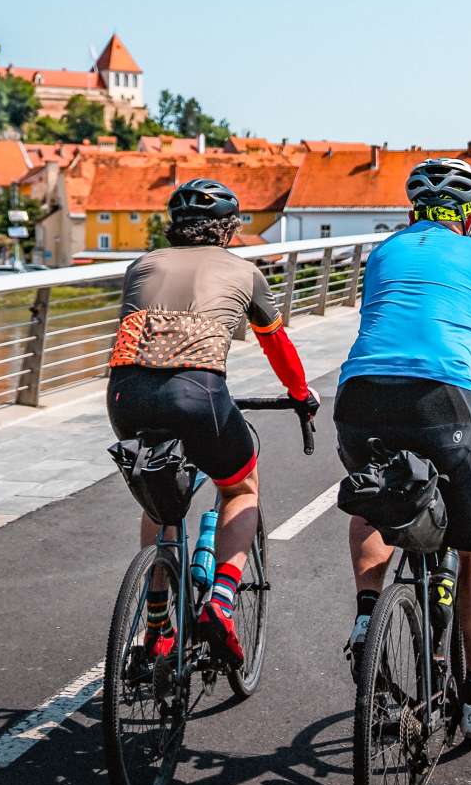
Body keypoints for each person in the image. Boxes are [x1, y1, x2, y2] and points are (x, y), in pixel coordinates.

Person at [334, 158, 471, 740]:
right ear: (470, 217)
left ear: (411, 214)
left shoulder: (382, 254)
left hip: (358, 398)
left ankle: (365, 617)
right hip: (442, 404)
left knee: (372, 504)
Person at [106, 178, 320, 670]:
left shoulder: (141, 265)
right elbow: (277, 346)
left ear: (174, 228)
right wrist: (300, 395)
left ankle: (157, 624)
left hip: (125, 396)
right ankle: (222, 600)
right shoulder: (244, 272)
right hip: (197, 395)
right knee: (240, 487)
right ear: (228, 229)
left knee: (161, 495)